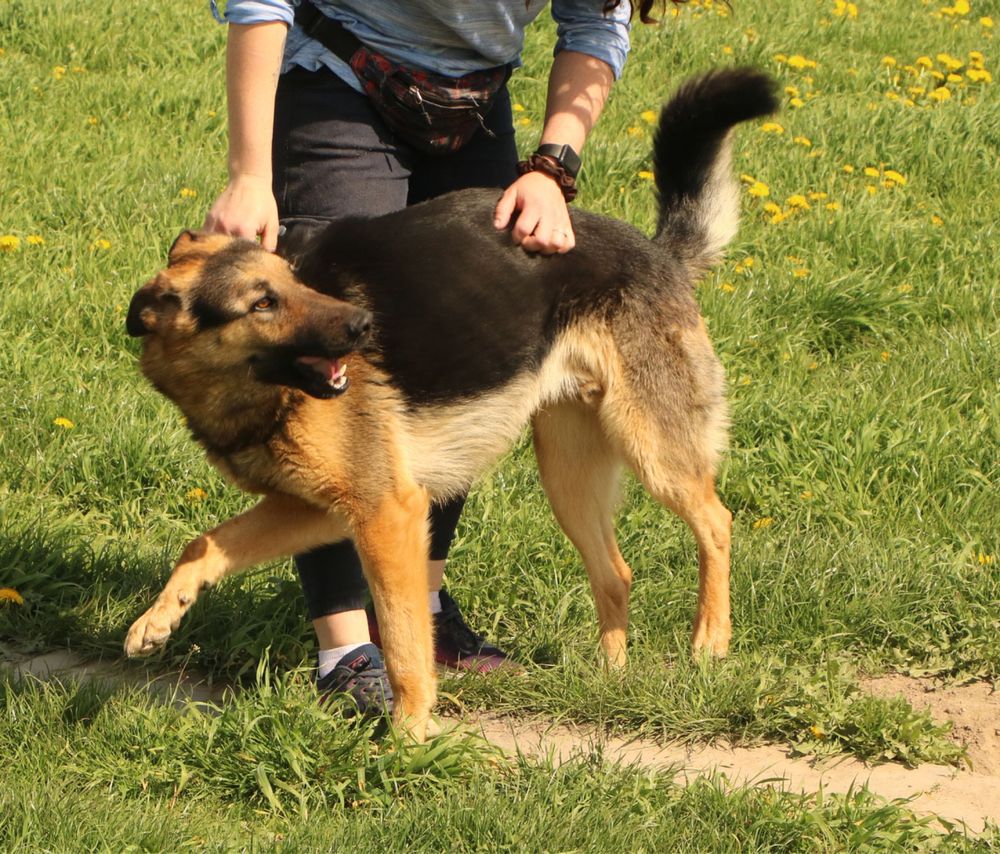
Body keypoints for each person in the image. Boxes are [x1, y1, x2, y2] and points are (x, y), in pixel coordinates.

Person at [205, 0, 672, 716]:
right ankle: (345, 650)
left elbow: (592, 23)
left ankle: (420, 612)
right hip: (343, 73)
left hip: (475, 99)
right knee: (329, 367)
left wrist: (552, 168)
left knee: (455, 346)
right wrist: (249, 171)